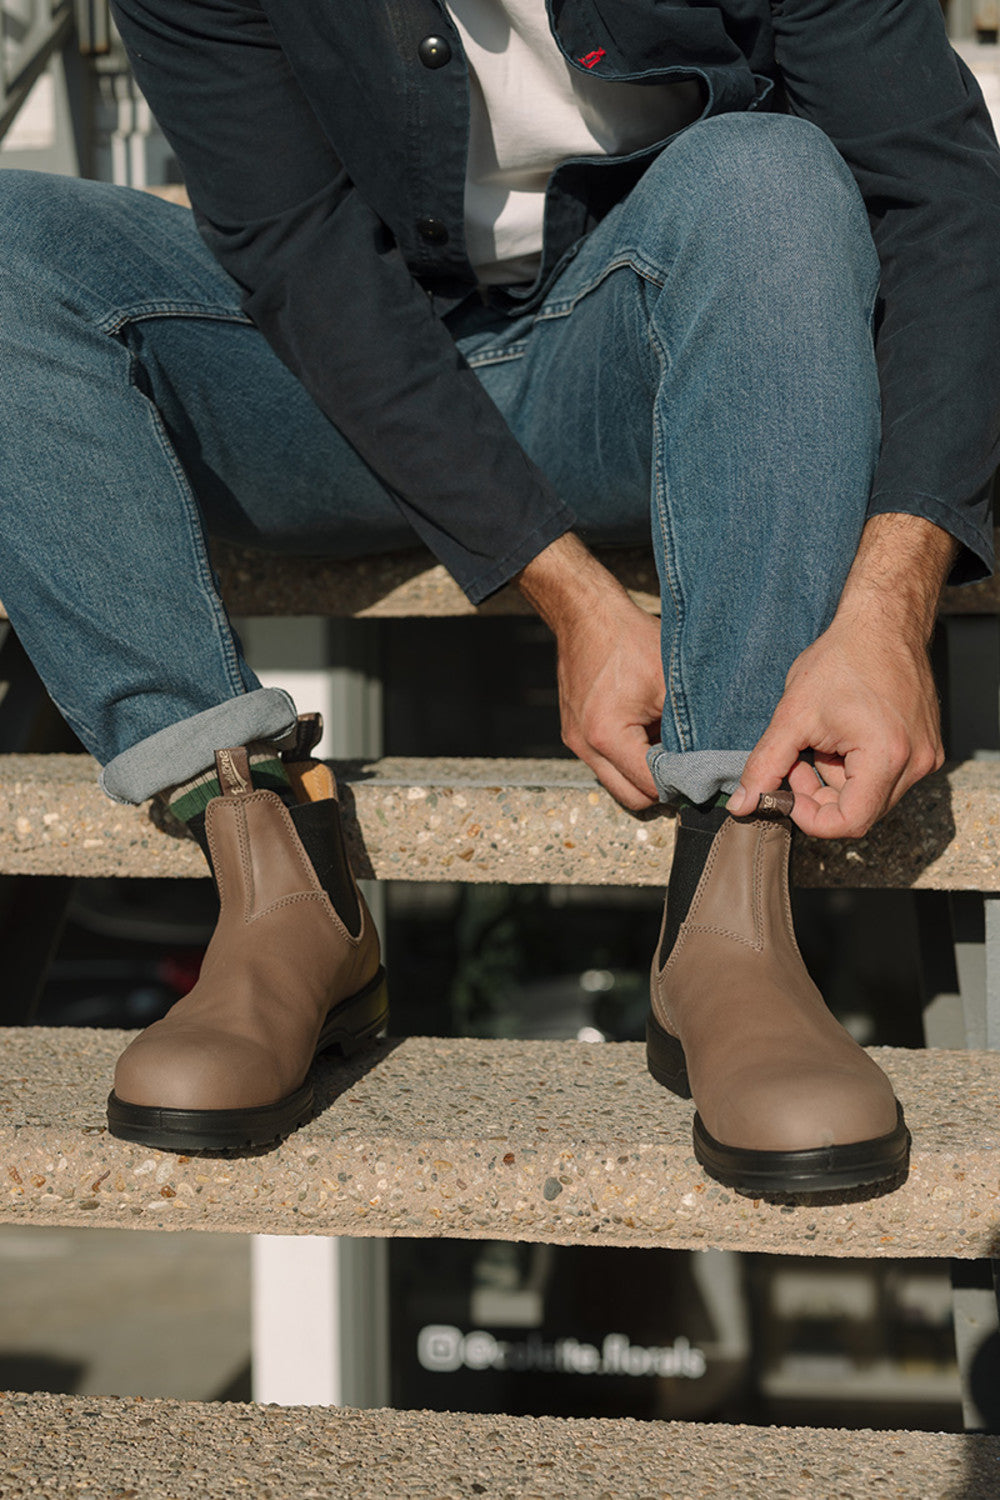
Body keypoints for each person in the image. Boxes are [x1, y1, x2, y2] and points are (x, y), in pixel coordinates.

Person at [0, 0, 997, 1192]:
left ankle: (735, 907)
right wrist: (569, 594)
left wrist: (888, 606)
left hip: (652, 354)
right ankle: (270, 867)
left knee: (770, 170)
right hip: (331, 394)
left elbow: (945, 199)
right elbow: (300, 260)